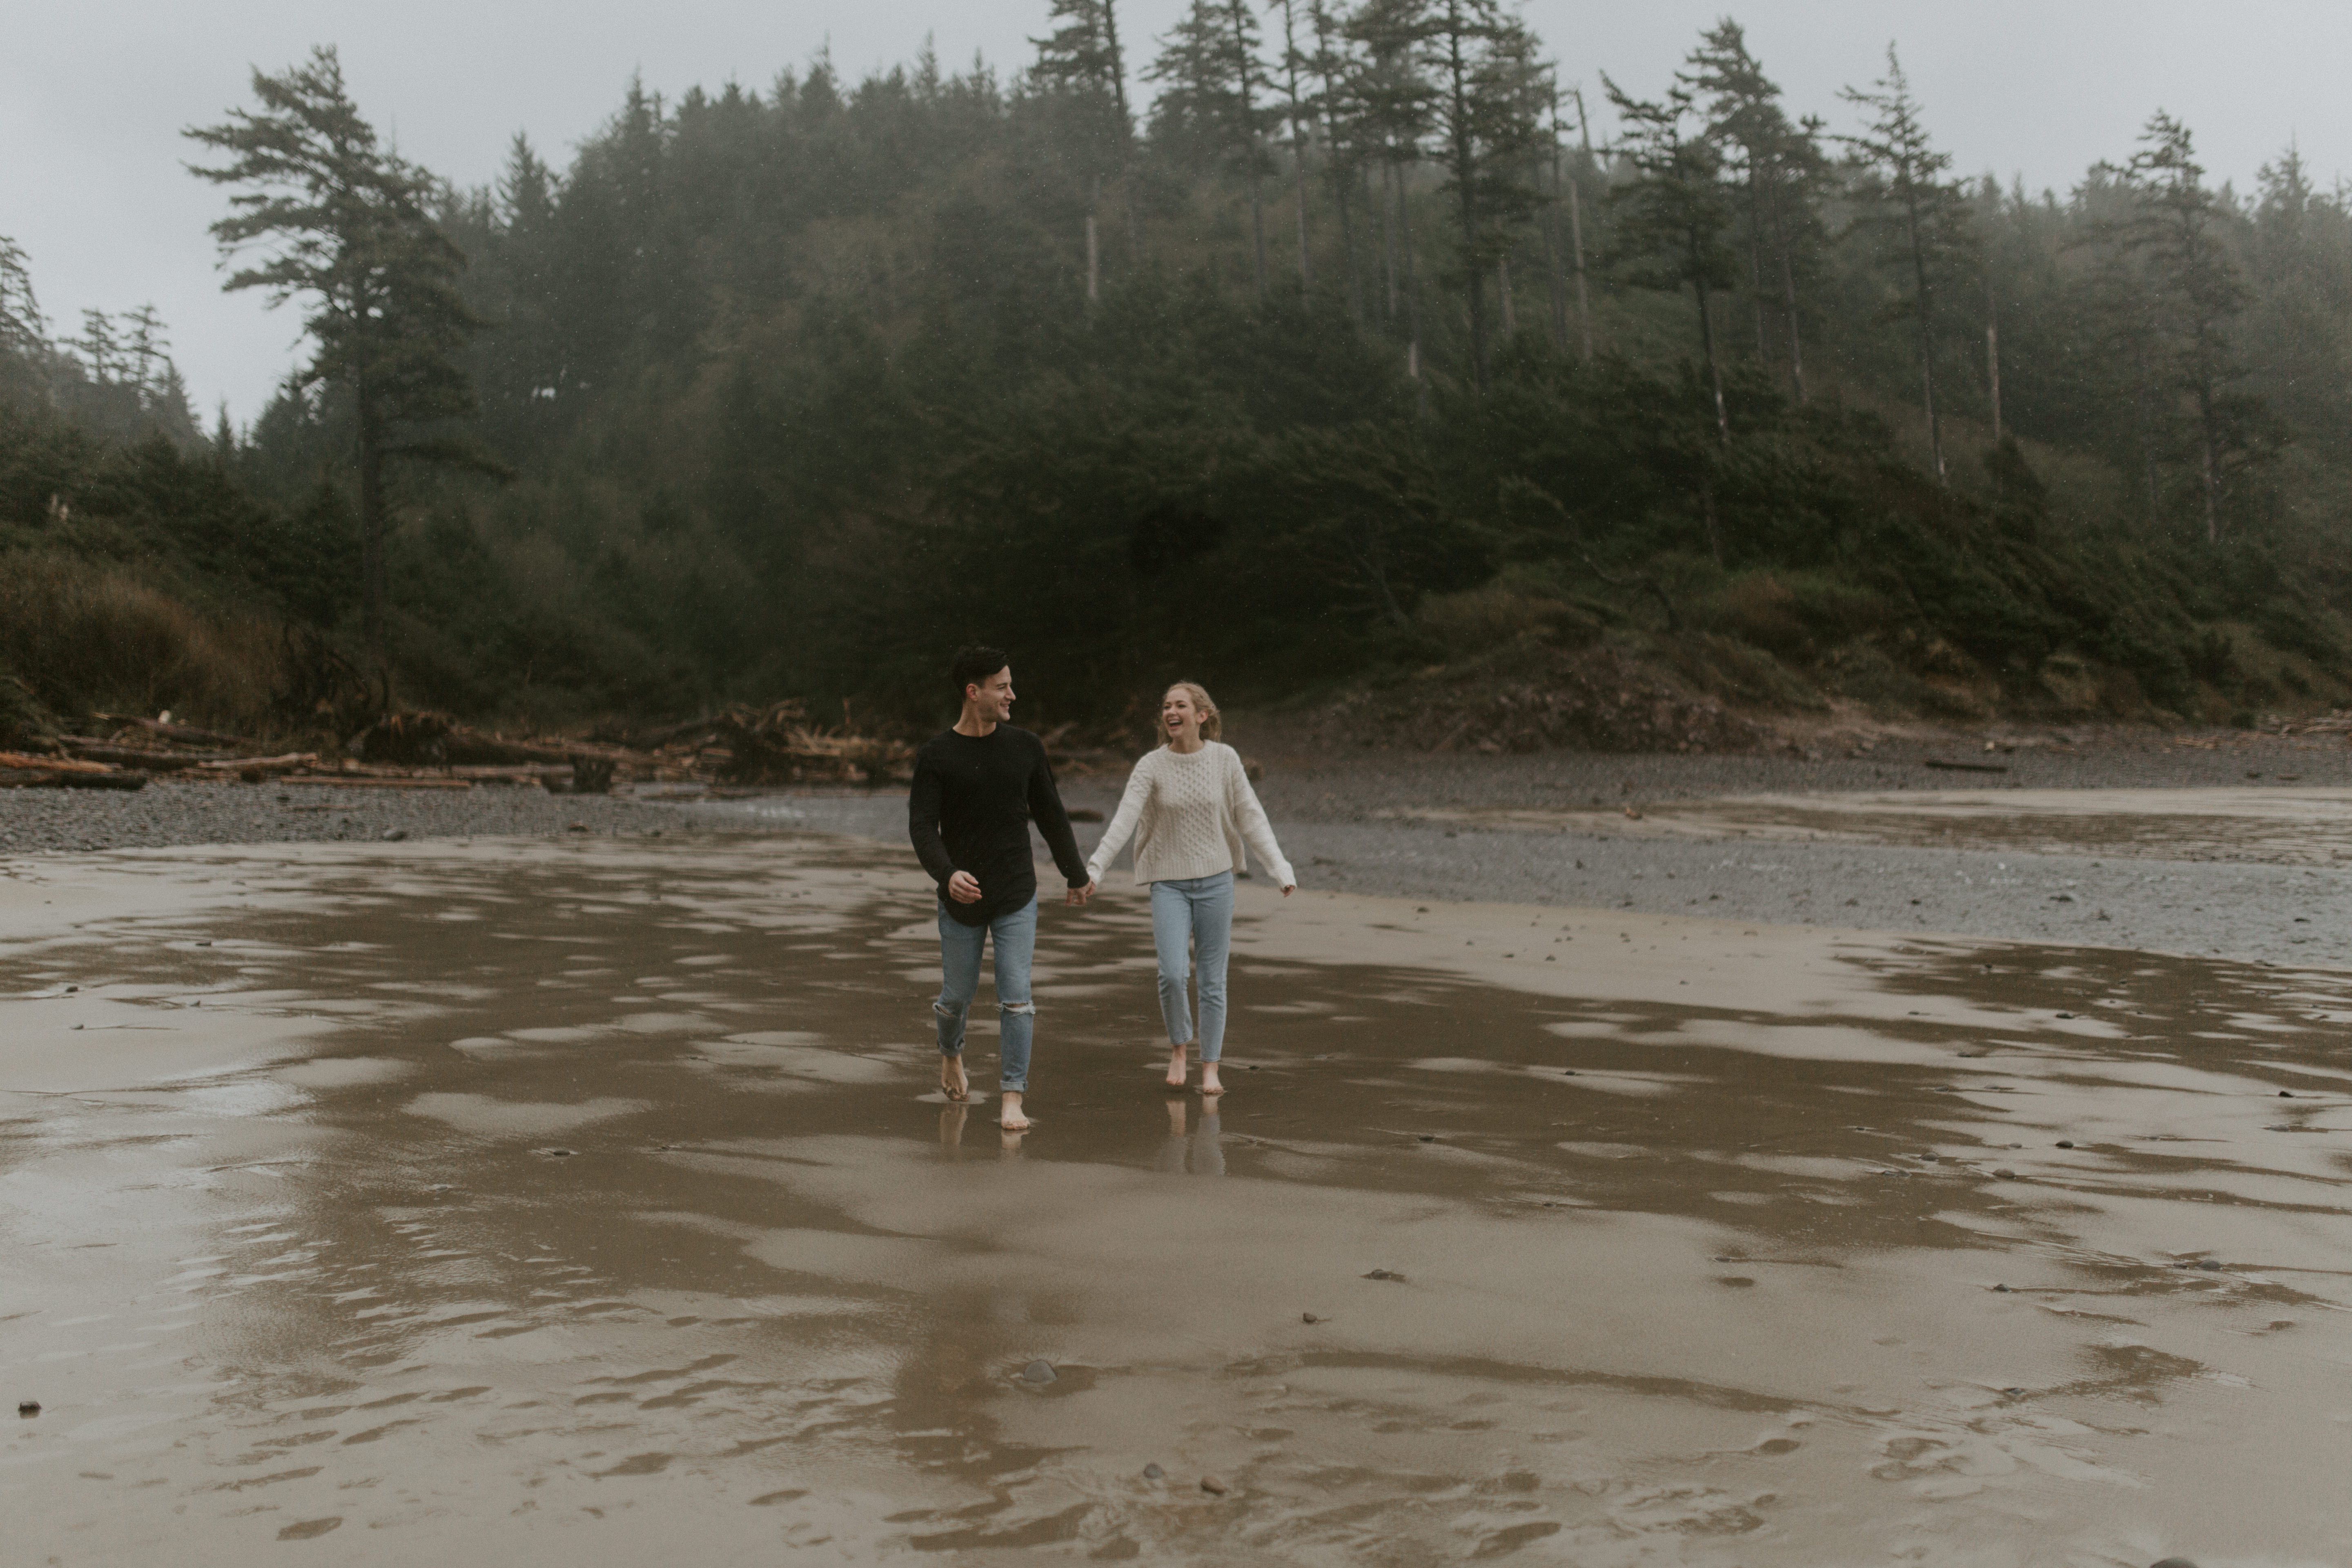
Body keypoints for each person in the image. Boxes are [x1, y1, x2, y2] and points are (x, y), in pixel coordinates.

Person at [908, 646, 1094, 1131]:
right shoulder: (936, 756)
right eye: (1002, 686)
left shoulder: (1025, 747)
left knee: (1017, 998)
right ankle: (951, 1053)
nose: (1013, 694)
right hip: (961, 897)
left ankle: (1013, 1097)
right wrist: (947, 874)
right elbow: (923, 828)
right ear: (974, 693)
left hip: (1016, 891)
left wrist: (1076, 874)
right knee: (956, 998)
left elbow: (1051, 815)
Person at [1084, 681, 1294, 1096]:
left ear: (1202, 715)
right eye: (1165, 706)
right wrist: (1095, 870)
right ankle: (1179, 1047)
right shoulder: (1151, 766)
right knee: (1173, 974)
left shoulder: (1225, 759)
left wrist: (1280, 868)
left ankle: (1211, 1066)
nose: (1170, 711)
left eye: (1180, 705)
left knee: (1213, 981)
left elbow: (1250, 816)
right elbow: (1124, 820)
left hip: (1217, 881)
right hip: (1169, 884)